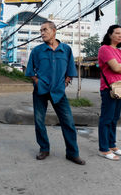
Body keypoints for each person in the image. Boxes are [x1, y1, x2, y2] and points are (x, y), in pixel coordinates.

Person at [25, 20, 85, 165]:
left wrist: (65, 83)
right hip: (41, 90)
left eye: (45, 30)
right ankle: (44, 148)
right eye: (41, 31)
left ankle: (72, 153)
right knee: (39, 121)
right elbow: (30, 70)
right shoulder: (37, 50)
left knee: (68, 122)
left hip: (59, 91)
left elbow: (70, 70)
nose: (42, 33)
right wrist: (37, 81)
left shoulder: (66, 49)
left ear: (54, 30)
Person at [98, 25, 121, 160]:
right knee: (106, 119)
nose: (120, 36)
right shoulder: (104, 49)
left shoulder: (119, 51)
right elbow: (115, 68)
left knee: (114, 118)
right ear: (109, 35)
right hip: (109, 88)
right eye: (117, 33)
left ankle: (112, 145)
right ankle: (103, 149)